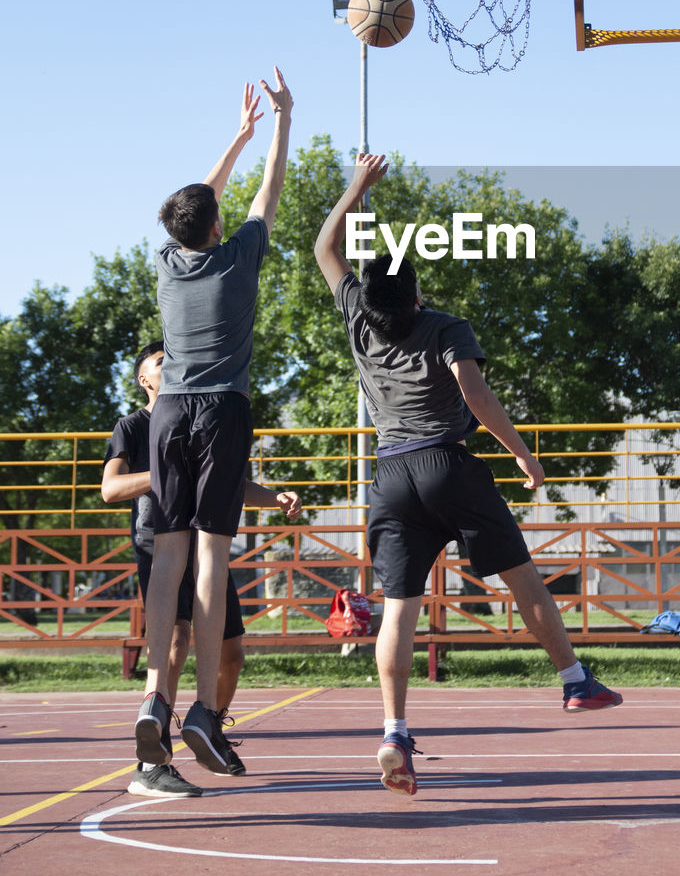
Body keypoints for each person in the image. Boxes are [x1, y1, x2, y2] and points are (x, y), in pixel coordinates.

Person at [314, 153, 623, 798]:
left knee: (399, 607)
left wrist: (356, 189)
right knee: (522, 575)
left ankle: (394, 730)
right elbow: (475, 394)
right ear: (418, 295)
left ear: (367, 299)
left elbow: (325, 245)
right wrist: (521, 452)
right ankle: (575, 681)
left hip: (390, 473)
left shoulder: (358, 322)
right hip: (447, 464)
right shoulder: (444, 325)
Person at [135, 69, 296, 776]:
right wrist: (279, 124)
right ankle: (203, 708)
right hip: (221, 410)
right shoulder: (237, 259)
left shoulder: (169, 263)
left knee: (167, 558)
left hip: (166, 412)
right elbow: (268, 192)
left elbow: (197, 203)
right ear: (217, 227)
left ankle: (152, 703)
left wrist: (234, 137)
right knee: (210, 558)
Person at [104, 340, 301, 797]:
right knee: (173, 644)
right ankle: (150, 763)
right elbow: (110, 489)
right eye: (159, 362)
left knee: (231, 655)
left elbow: (227, 483)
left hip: (207, 549)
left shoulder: (201, 419)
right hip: (161, 546)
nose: (169, 366)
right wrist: (171, 473)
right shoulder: (134, 426)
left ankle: (209, 727)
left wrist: (274, 497)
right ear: (144, 380)